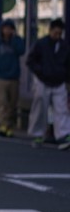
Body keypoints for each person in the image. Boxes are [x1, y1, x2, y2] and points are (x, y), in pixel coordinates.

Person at [26, 17, 70, 149]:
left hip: (59, 81)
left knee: (61, 109)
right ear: (50, 31)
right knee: (40, 107)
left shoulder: (64, 46)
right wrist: (40, 71)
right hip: (43, 80)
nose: (57, 36)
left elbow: (68, 65)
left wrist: (67, 80)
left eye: (59, 33)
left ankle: (63, 135)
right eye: (55, 33)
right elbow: (30, 60)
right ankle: (37, 133)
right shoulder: (41, 44)